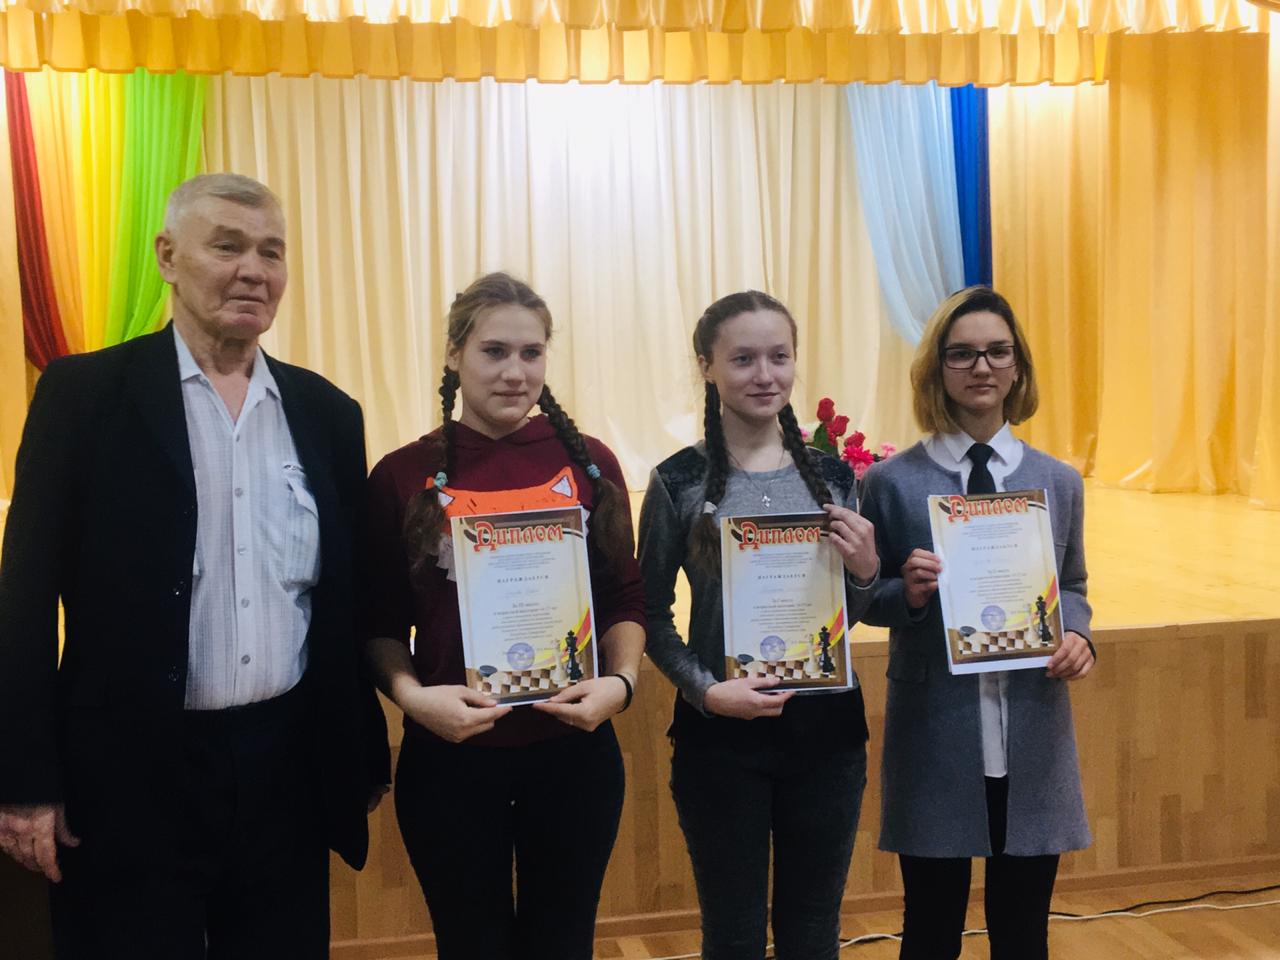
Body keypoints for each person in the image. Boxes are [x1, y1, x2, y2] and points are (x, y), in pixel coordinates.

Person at [0, 172, 391, 957]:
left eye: (272, 252)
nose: (254, 270)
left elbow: (341, 601)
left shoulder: (327, 413)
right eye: (228, 246)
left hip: (284, 767)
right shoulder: (84, 396)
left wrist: (361, 749)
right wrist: (26, 781)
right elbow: (25, 597)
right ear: (167, 257)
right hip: (130, 772)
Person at [363, 271, 646, 960]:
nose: (515, 372)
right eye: (494, 351)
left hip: (573, 754)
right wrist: (412, 699)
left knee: (564, 943)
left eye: (531, 352)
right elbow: (376, 622)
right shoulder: (400, 474)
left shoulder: (591, 464)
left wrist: (621, 684)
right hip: (451, 759)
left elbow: (623, 598)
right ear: (454, 354)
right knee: (470, 945)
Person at [637, 290, 880, 960]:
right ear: (706, 366)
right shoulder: (677, 481)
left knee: (813, 931)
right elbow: (649, 614)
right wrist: (705, 691)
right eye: (743, 359)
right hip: (721, 738)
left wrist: (865, 573)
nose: (765, 374)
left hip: (829, 736)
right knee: (734, 935)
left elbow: (847, 616)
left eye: (779, 356)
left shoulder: (833, 476)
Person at [859, 286, 1096, 960]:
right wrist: (905, 593)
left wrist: (1077, 634)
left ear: (1018, 366)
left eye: (997, 351)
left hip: (1034, 729)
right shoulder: (891, 482)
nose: (982, 367)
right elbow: (864, 599)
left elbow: (1073, 585)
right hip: (936, 730)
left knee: (1023, 933)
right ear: (937, 369)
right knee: (930, 930)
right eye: (961, 354)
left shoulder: (1058, 481)